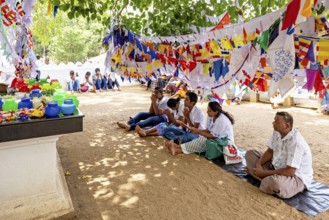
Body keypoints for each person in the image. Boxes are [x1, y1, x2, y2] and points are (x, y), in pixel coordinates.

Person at [245, 112, 313, 199]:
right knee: (250, 154)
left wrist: (263, 173)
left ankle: (261, 176)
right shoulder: (277, 132)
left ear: (287, 126)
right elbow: (270, 151)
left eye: (277, 122)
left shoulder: (296, 142)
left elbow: (290, 171)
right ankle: (262, 176)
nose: (273, 124)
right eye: (274, 121)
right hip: (276, 166)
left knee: (275, 183)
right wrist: (258, 164)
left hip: (294, 177)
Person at [166, 101, 234, 156]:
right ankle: (178, 149)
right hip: (216, 139)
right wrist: (197, 130)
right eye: (208, 109)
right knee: (201, 140)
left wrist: (198, 131)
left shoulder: (221, 120)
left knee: (203, 141)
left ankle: (177, 148)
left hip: (224, 143)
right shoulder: (211, 116)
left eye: (209, 111)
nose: (207, 112)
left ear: (216, 112)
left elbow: (214, 136)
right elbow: (209, 130)